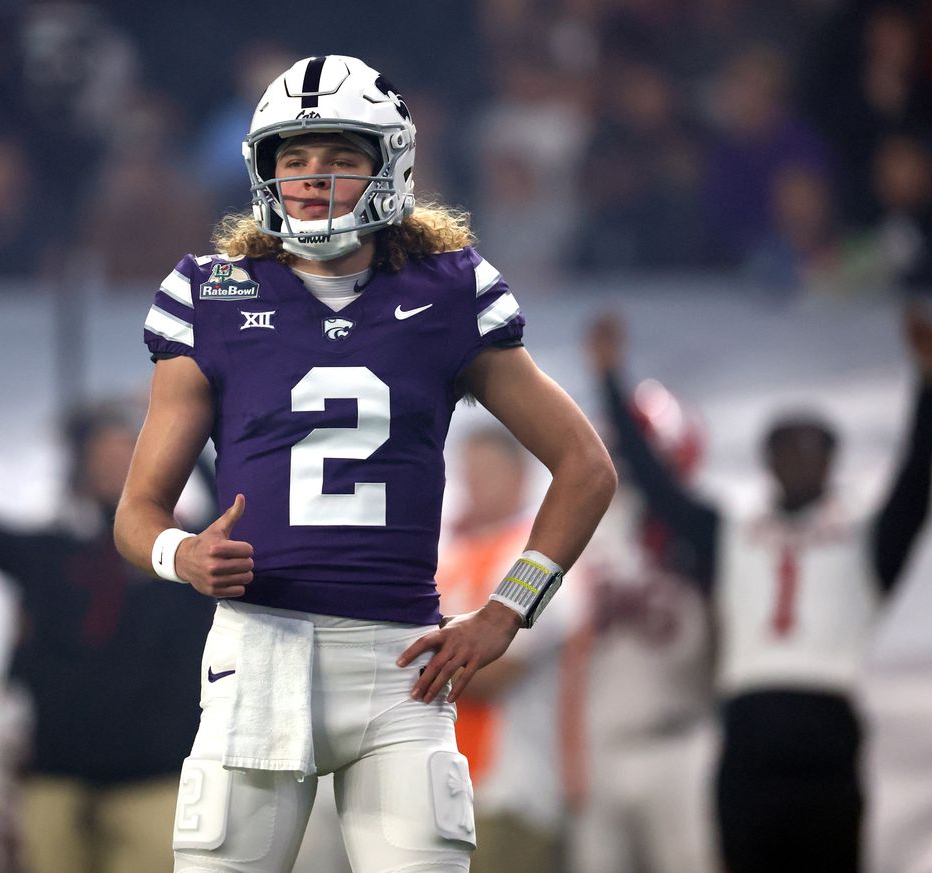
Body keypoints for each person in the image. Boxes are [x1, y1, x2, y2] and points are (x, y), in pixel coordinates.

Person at [113, 54, 617, 873]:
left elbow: (586, 466)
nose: (313, 179)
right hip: (258, 652)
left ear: (391, 166)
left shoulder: (452, 291)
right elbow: (137, 512)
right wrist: (183, 553)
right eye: (294, 159)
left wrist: (504, 611)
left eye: (341, 159)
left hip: (402, 667)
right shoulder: (209, 295)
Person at [585, 306, 932, 873]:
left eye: (812, 448)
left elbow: (916, 485)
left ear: (833, 461)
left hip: (827, 726)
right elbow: (656, 486)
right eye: (786, 447)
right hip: (749, 732)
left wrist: (931, 388)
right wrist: (611, 378)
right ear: (767, 461)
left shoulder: (861, 539)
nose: (799, 460)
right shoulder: (732, 534)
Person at [0, 391, 213, 873]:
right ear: (79, 468)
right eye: (101, 456)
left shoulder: (180, 555)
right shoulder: (53, 555)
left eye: (128, 453)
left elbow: (229, 505)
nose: (114, 467)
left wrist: (183, 426)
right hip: (57, 772)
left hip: (155, 773)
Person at [560, 378, 719, 873]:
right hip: (600, 744)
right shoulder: (582, 536)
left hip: (683, 737)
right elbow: (568, 659)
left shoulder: (702, 538)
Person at [436, 426, 576, 873]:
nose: (475, 483)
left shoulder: (538, 557)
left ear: (519, 475)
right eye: (468, 472)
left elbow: (495, 669)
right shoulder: (448, 554)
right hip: (441, 786)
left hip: (512, 789)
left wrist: (398, 669)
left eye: (487, 471)